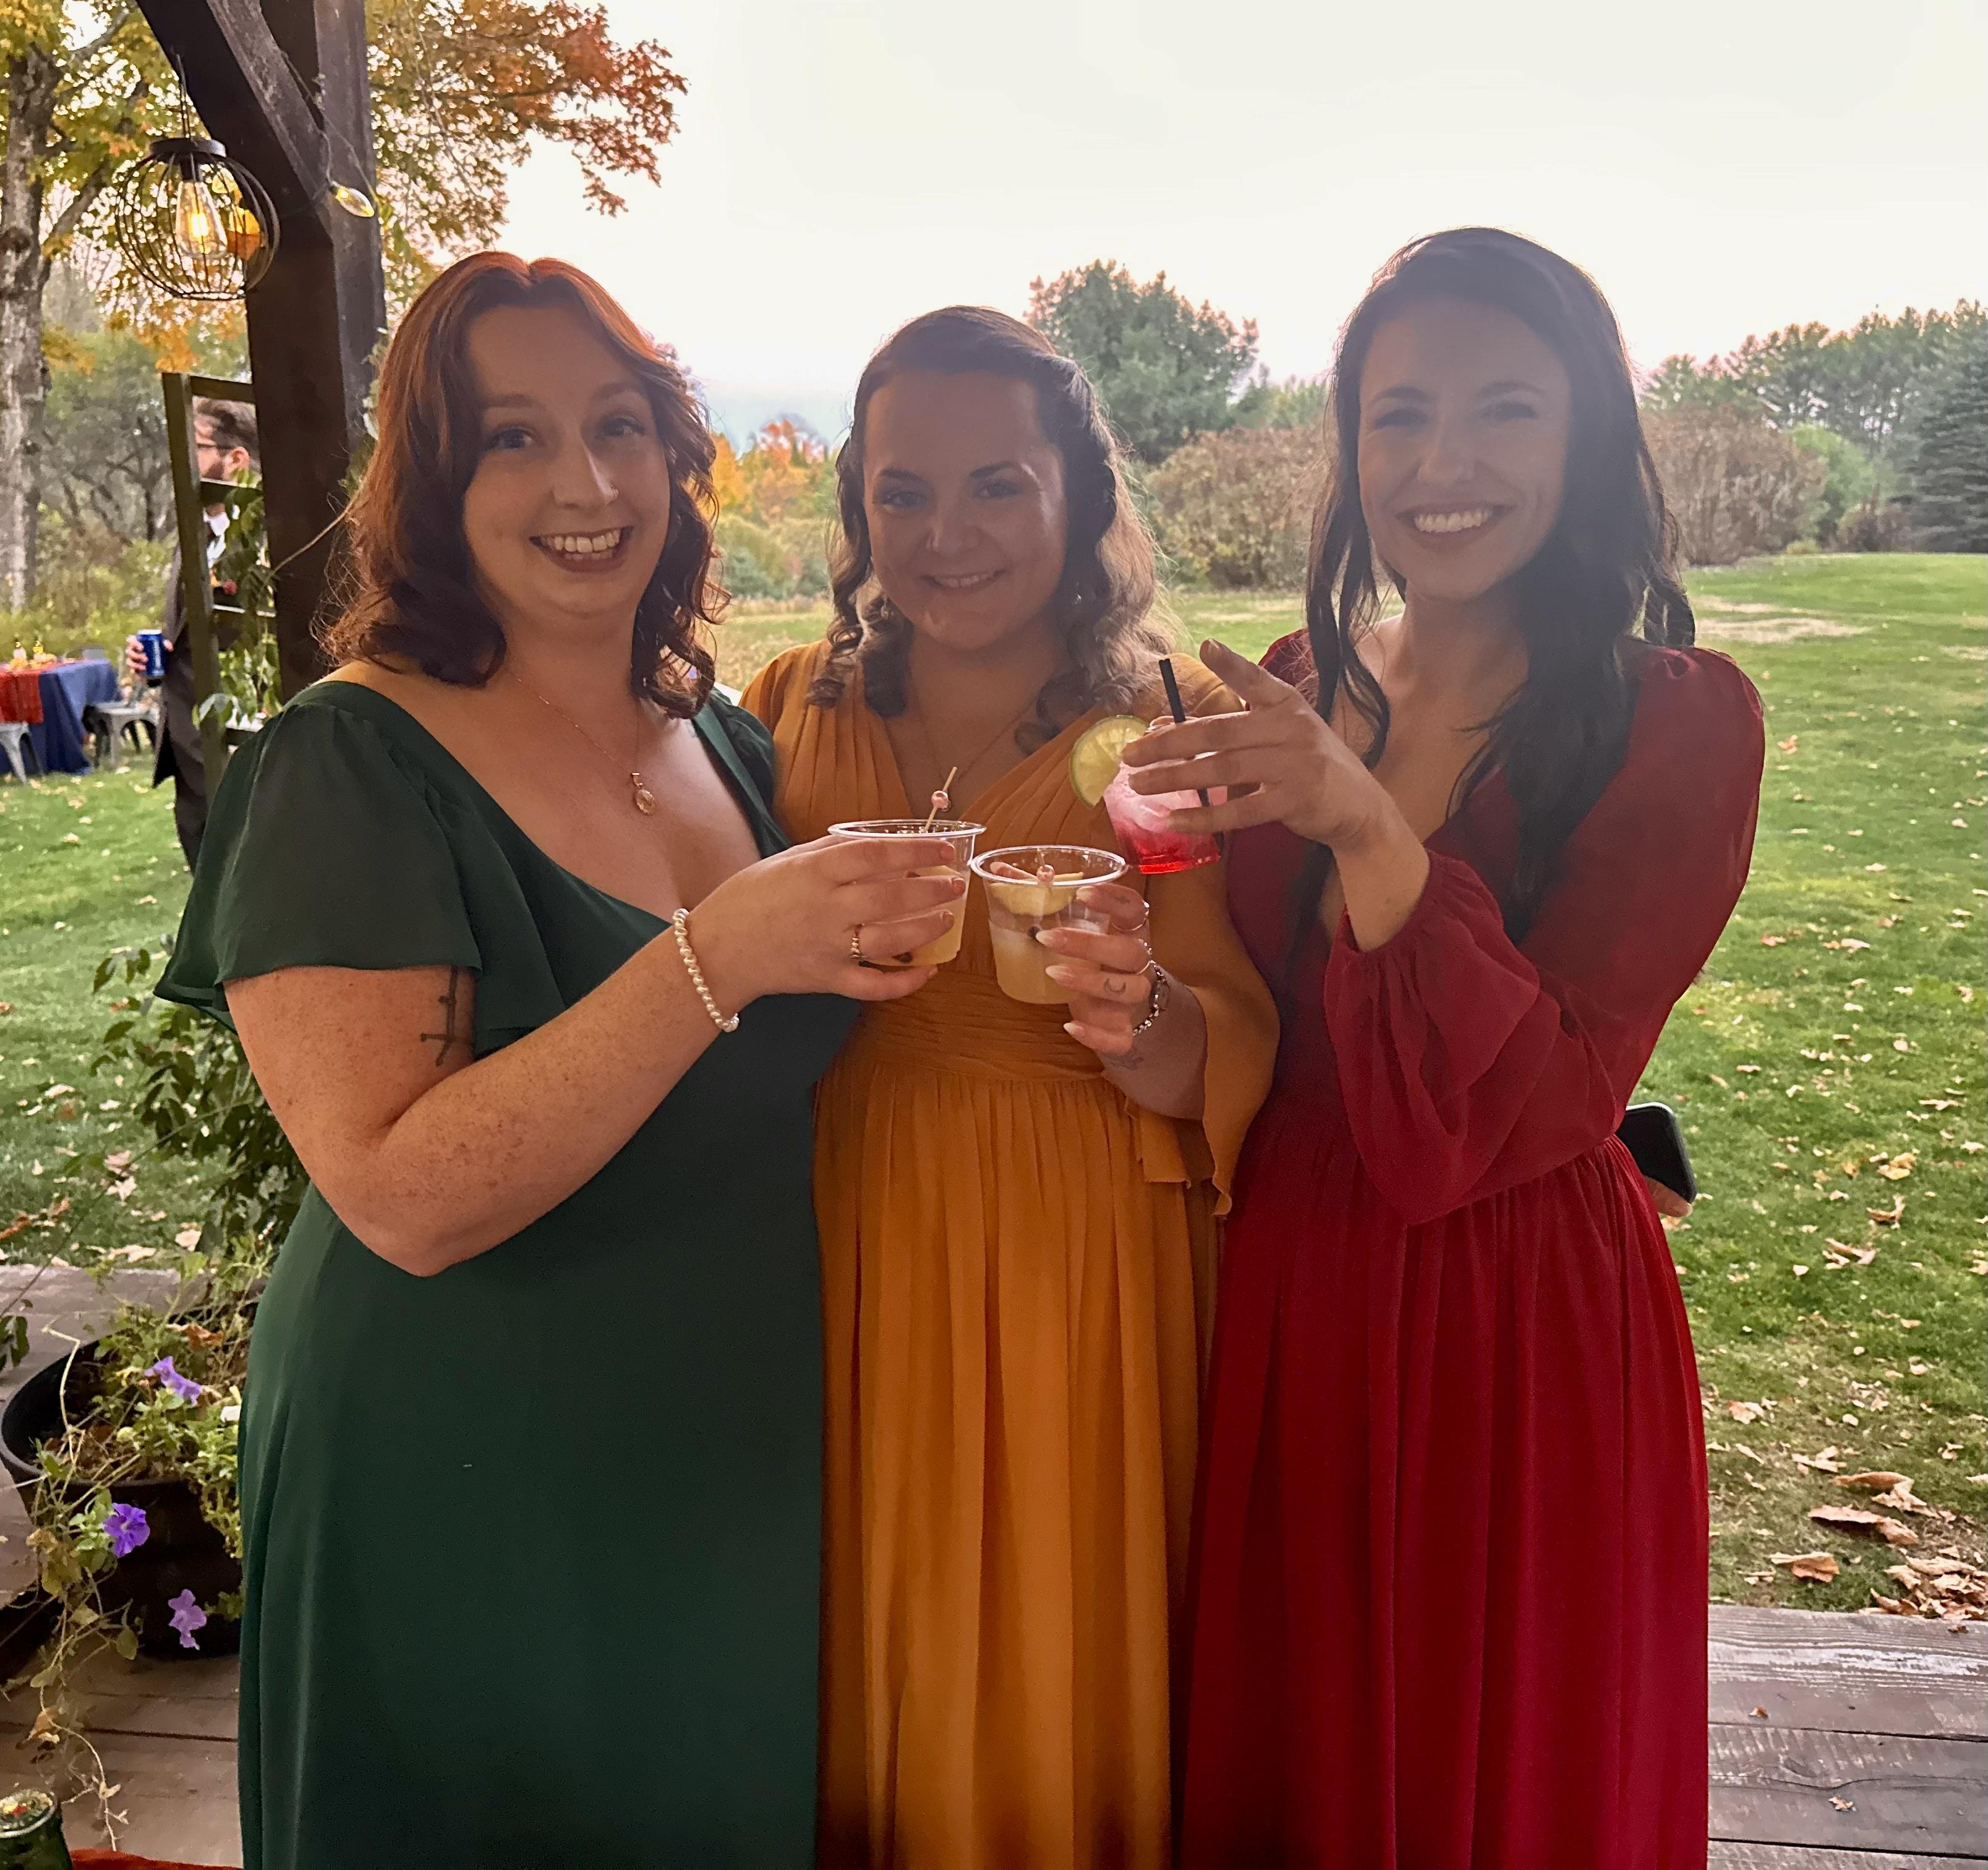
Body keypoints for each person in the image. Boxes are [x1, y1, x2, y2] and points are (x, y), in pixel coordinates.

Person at [154, 254, 963, 1869]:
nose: (584, 485)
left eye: (617, 427)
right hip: (464, 1467)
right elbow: (401, 1195)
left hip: (719, 1456)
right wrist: (716, 955)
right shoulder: (346, 759)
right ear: (431, 481)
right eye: (511, 438)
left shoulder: (720, 736)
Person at [1123, 229, 1765, 1866]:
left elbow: (1532, 1098)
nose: (1440, 462)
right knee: (1309, 1754)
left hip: (1514, 1314)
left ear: (1585, 437)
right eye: (1396, 414)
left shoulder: (1675, 722)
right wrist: (1139, 993)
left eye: (1502, 410)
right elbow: (1244, 1013)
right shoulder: (1291, 684)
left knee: (1495, 1770)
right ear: (1347, 447)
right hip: (1295, 1288)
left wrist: (1362, 827)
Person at [743, 308, 1277, 1869]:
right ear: (859, 511)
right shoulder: (788, 706)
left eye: (997, 487)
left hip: (1072, 1244)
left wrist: (1138, 1012)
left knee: (1044, 1634)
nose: (946, 535)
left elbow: (1228, 1029)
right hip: (834, 1227)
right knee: (858, 1617)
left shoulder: (1157, 735)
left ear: (1078, 498)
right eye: (902, 493)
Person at [127, 397, 258, 867]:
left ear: (235, 459)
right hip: (189, 753)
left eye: (195, 448)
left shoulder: (267, 540)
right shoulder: (191, 535)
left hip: (247, 749)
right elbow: (184, 631)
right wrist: (151, 659)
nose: (179, 462)